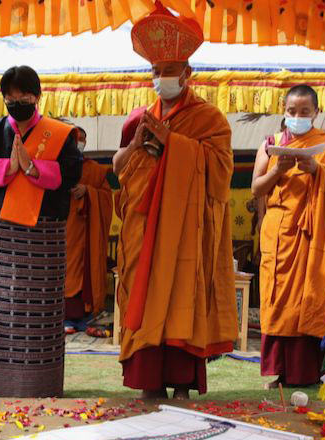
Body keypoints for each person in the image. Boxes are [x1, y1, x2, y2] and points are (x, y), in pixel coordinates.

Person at [113, 4, 236, 400]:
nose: (161, 78)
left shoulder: (209, 118)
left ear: (188, 73)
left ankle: (182, 382)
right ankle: (149, 382)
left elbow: (220, 175)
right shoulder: (139, 118)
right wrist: (136, 144)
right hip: (144, 226)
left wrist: (173, 144)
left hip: (184, 230)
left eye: (169, 70)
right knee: (145, 295)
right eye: (156, 71)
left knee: (183, 294)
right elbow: (119, 169)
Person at [0, 65, 83, 397]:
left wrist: (32, 167)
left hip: (42, 238)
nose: (18, 102)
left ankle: (39, 383)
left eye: (24, 96)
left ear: (37, 96)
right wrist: (8, 167)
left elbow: (72, 173)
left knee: (39, 314)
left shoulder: (60, 134)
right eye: (10, 98)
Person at [251, 84, 325, 389]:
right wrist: (277, 170)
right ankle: (281, 373)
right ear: (284, 111)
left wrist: (317, 171)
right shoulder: (270, 144)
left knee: (308, 299)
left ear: (316, 113)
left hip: (311, 238)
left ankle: (308, 373)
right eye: (292, 111)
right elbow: (257, 187)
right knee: (278, 302)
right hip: (278, 235)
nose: (297, 117)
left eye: (305, 112)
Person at [64, 127, 113, 329]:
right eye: (77, 139)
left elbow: (107, 197)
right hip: (65, 230)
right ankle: (64, 315)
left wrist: (89, 192)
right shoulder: (58, 164)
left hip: (88, 231)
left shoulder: (95, 169)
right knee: (66, 270)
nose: (80, 142)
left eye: (83, 139)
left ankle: (86, 313)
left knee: (87, 268)